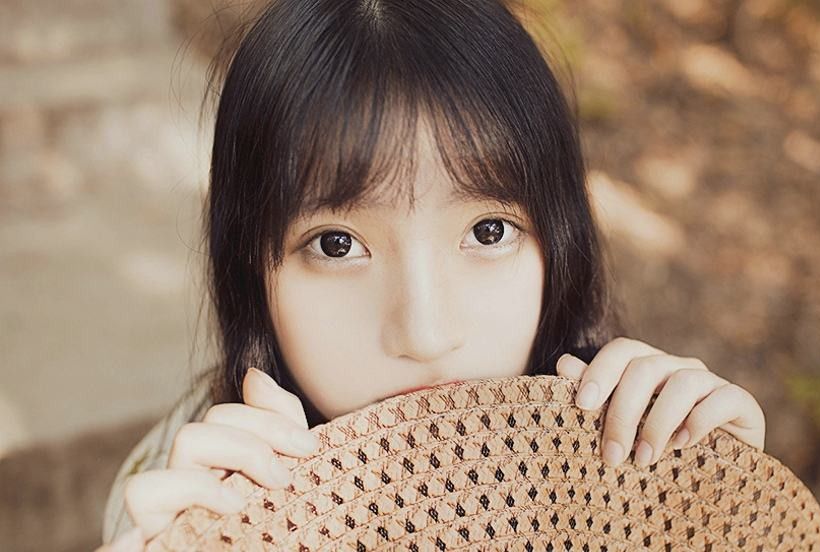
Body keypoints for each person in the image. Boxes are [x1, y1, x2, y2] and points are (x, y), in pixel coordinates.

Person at [97, 0, 765, 549]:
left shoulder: (632, 457)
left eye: (488, 232)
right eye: (337, 244)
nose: (425, 333)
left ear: (560, 242)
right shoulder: (196, 493)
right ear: (251, 270)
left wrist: (725, 516)